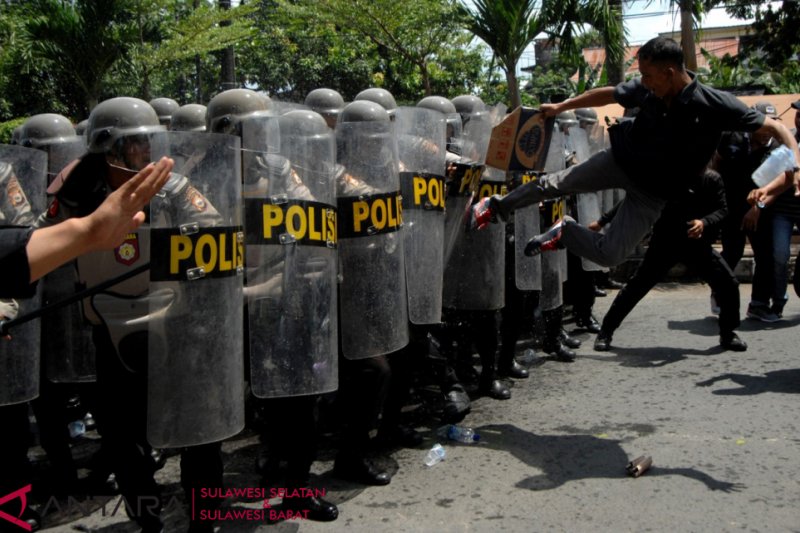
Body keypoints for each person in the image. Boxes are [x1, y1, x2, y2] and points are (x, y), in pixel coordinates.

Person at [471, 36, 800, 269]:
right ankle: (495, 207)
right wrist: (561, 106)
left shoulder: (715, 104)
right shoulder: (648, 89)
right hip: (621, 161)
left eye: (647, 75)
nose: (644, 82)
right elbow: (608, 94)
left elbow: (778, 128)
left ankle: (565, 232)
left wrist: (795, 165)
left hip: (654, 192)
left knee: (612, 255)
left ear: (669, 73)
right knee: (555, 184)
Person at [593, 168, 747, 352]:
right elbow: (634, 200)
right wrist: (602, 221)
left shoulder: (712, 179)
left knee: (728, 284)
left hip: (696, 244)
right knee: (636, 287)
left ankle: (728, 334)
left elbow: (722, 209)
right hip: (664, 243)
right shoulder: (665, 177)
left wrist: (704, 222)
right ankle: (606, 331)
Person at [1, 158, 172, 298]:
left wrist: (89, 232)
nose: (143, 149)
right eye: (133, 142)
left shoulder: (172, 186)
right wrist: (89, 232)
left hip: (159, 299)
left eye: (147, 140)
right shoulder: (78, 183)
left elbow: (18, 251)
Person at [712, 101, 782, 322]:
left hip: (761, 209)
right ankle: (719, 293)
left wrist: (758, 208)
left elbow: (781, 185)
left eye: (773, 124)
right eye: (763, 125)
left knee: (765, 255)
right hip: (731, 206)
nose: (767, 130)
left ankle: (759, 304)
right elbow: (716, 163)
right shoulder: (731, 137)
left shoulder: (779, 149)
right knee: (732, 251)